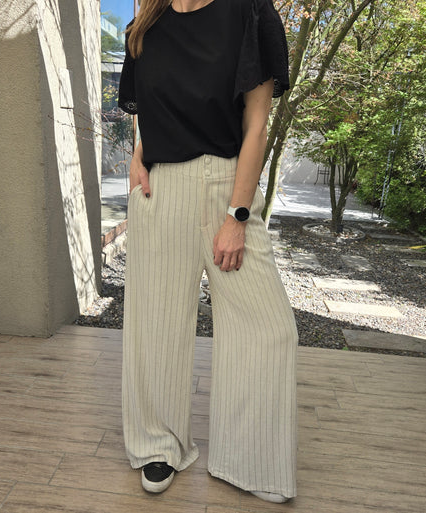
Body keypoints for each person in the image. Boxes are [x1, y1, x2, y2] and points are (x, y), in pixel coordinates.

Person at [118, 0, 298, 504]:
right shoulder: (145, 27)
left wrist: (237, 216)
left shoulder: (249, 13)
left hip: (226, 187)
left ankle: (251, 458)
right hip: (159, 192)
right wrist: (138, 154)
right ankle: (158, 444)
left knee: (270, 328)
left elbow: (256, 125)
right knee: (156, 325)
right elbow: (148, 108)